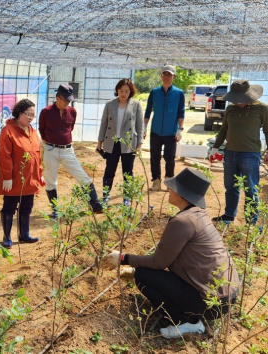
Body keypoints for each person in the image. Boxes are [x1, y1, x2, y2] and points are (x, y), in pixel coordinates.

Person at [101, 168, 239, 339]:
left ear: (182, 195)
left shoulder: (182, 221)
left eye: (173, 188)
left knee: (143, 275)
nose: (169, 189)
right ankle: (191, 313)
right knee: (145, 272)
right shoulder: (198, 215)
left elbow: (159, 263)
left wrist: (122, 258)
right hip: (227, 297)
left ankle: (187, 322)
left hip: (211, 303)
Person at [209, 79, 268, 224]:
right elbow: (223, 130)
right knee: (230, 187)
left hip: (250, 154)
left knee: (251, 189)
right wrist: (214, 148)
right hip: (230, 153)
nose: (238, 101)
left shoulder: (262, 109)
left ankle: (251, 222)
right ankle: (229, 215)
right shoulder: (230, 108)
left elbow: (267, 131)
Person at [39, 84, 102, 217]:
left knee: (81, 175)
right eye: (65, 100)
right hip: (51, 150)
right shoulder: (46, 112)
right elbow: (41, 129)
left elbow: (70, 128)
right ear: (57, 97)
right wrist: (49, 141)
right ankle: (55, 210)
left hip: (67, 151)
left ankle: (95, 204)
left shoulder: (72, 112)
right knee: (51, 180)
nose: (68, 102)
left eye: (69, 100)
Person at [0, 98, 43, 248]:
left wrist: (39, 173)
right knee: (9, 206)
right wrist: (7, 177)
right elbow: (5, 156)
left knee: (27, 206)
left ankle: (24, 234)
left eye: (33, 115)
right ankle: (7, 236)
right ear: (19, 113)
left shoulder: (32, 132)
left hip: (30, 178)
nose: (30, 117)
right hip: (15, 177)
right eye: (28, 114)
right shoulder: (8, 131)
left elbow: (38, 154)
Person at [96, 78, 144, 203]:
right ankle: (106, 196)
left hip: (129, 143)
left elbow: (139, 125)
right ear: (117, 90)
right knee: (109, 170)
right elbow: (104, 123)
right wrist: (99, 142)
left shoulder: (136, 105)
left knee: (128, 171)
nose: (123, 94)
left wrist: (139, 145)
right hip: (112, 142)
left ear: (131, 92)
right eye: (121, 90)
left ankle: (127, 198)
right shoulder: (109, 104)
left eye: (126, 91)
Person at [144, 65, 185, 191]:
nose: (166, 77)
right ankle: (156, 181)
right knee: (154, 157)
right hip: (156, 130)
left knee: (169, 157)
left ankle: (169, 181)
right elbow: (148, 110)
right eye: (164, 74)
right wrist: (144, 127)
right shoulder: (154, 92)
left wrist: (180, 129)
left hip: (171, 131)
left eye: (169, 74)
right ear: (161, 76)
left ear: (174, 76)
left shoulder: (179, 93)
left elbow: (181, 112)